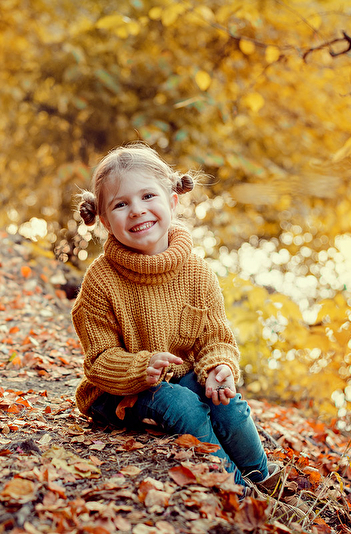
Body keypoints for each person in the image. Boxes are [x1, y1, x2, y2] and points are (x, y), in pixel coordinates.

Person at [72, 142, 280, 492]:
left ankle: (263, 478)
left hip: (176, 377)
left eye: (148, 197)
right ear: (106, 221)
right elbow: (98, 360)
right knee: (183, 403)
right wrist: (142, 367)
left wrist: (218, 367)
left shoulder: (197, 273)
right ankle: (239, 491)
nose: (137, 211)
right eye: (121, 204)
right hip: (115, 391)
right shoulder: (100, 279)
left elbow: (215, 339)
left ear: (172, 201)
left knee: (225, 400)